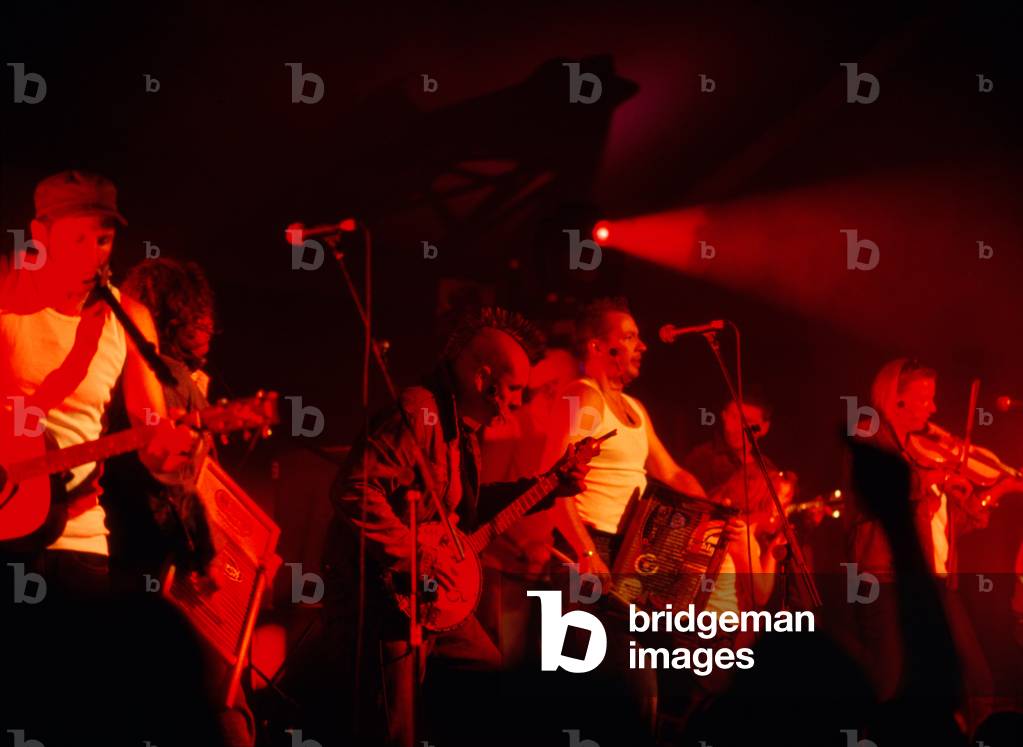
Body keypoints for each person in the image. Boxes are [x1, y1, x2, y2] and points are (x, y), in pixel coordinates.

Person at [320, 307, 587, 747]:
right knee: (394, 733)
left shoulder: (460, 429)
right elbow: (354, 489)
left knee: (489, 680)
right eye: (515, 388)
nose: (518, 402)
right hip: (385, 600)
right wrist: (415, 557)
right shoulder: (420, 410)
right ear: (484, 379)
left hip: (433, 598)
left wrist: (551, 485)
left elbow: (467, 510)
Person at [0, 170, 193, 591]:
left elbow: (152, 437)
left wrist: (168, 453)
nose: (93, 254)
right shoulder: (6, 290)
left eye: (102, 240)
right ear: (39, 234)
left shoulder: (130, 319)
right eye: (77, 240)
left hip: (78, 537)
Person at [542, 297, 707, 740]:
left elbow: (669, 472)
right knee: (622, 693)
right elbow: (551, 482)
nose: (643, 346)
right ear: (598, 346)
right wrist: (586, 551)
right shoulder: (581, 396)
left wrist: (717, 512)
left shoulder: (635, 409)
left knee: (644, 690)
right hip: (586, 558)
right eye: (630, 337)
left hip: (630, 559)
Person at [847, 357, 994, 727]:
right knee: (889, 682)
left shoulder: (920, 451)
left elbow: (935, 525)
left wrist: (976, 504)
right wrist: (931, 482)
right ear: (896, 400)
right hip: (886, 579)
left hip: (934, 580)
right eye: (925, 398)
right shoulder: (868, 434)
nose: (934, 407)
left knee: (975, 683)